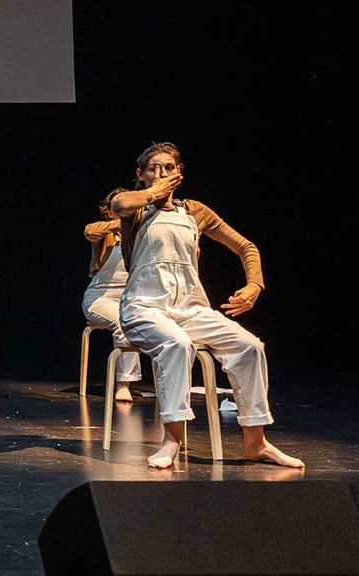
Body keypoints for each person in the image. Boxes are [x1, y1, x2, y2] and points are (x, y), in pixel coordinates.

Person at [111, 141, 303, 469]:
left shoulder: (195, 212)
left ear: (180, 173)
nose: (162, 173)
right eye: (153, 168)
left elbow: (245, 246)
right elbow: (118, 204)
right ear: (140, 174)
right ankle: (172, 440)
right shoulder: (136, 208)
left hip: (191, 308)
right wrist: (153, 192)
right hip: (143, 306)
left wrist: (254, 284)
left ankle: (256, 443)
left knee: (249, 347)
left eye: (169, 168)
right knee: (177, 344)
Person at [82, 187, 141, 401]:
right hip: (100, 297)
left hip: (132, 297)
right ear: (109, 211)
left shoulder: (141, 233)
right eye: (119, 205)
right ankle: (123, 384)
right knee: (123, 321)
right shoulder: (106, 233)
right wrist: (123, 221)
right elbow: (90, 231)